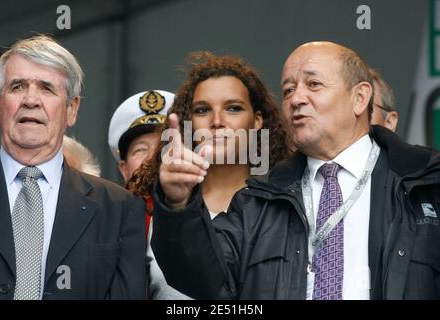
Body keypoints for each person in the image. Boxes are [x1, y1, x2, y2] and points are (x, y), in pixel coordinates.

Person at [151, 42, 440, 300]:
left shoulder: (425, 182)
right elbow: (204, 280)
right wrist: (178, 204)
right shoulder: (259, 200)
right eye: (288, 90)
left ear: (360, 97)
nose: (296, 99)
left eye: (313, 84)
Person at [0, 35, 145, 300]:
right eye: (17, 87)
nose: (31, 100)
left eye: (46, 88)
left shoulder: (119, 207)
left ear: (72, 109)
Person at [149, 51, 291, 299]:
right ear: (188, 122)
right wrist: (176, 203)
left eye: (233, 108)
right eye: (202, 110)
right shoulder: (157, 209)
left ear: (257, 121)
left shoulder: (289, 202)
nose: (217, 121)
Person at [108, 90, 174, 235]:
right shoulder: (107, 221)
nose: (152, 157)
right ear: (124, 169)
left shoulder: (203, 211)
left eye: (163, 147)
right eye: (140, 150)